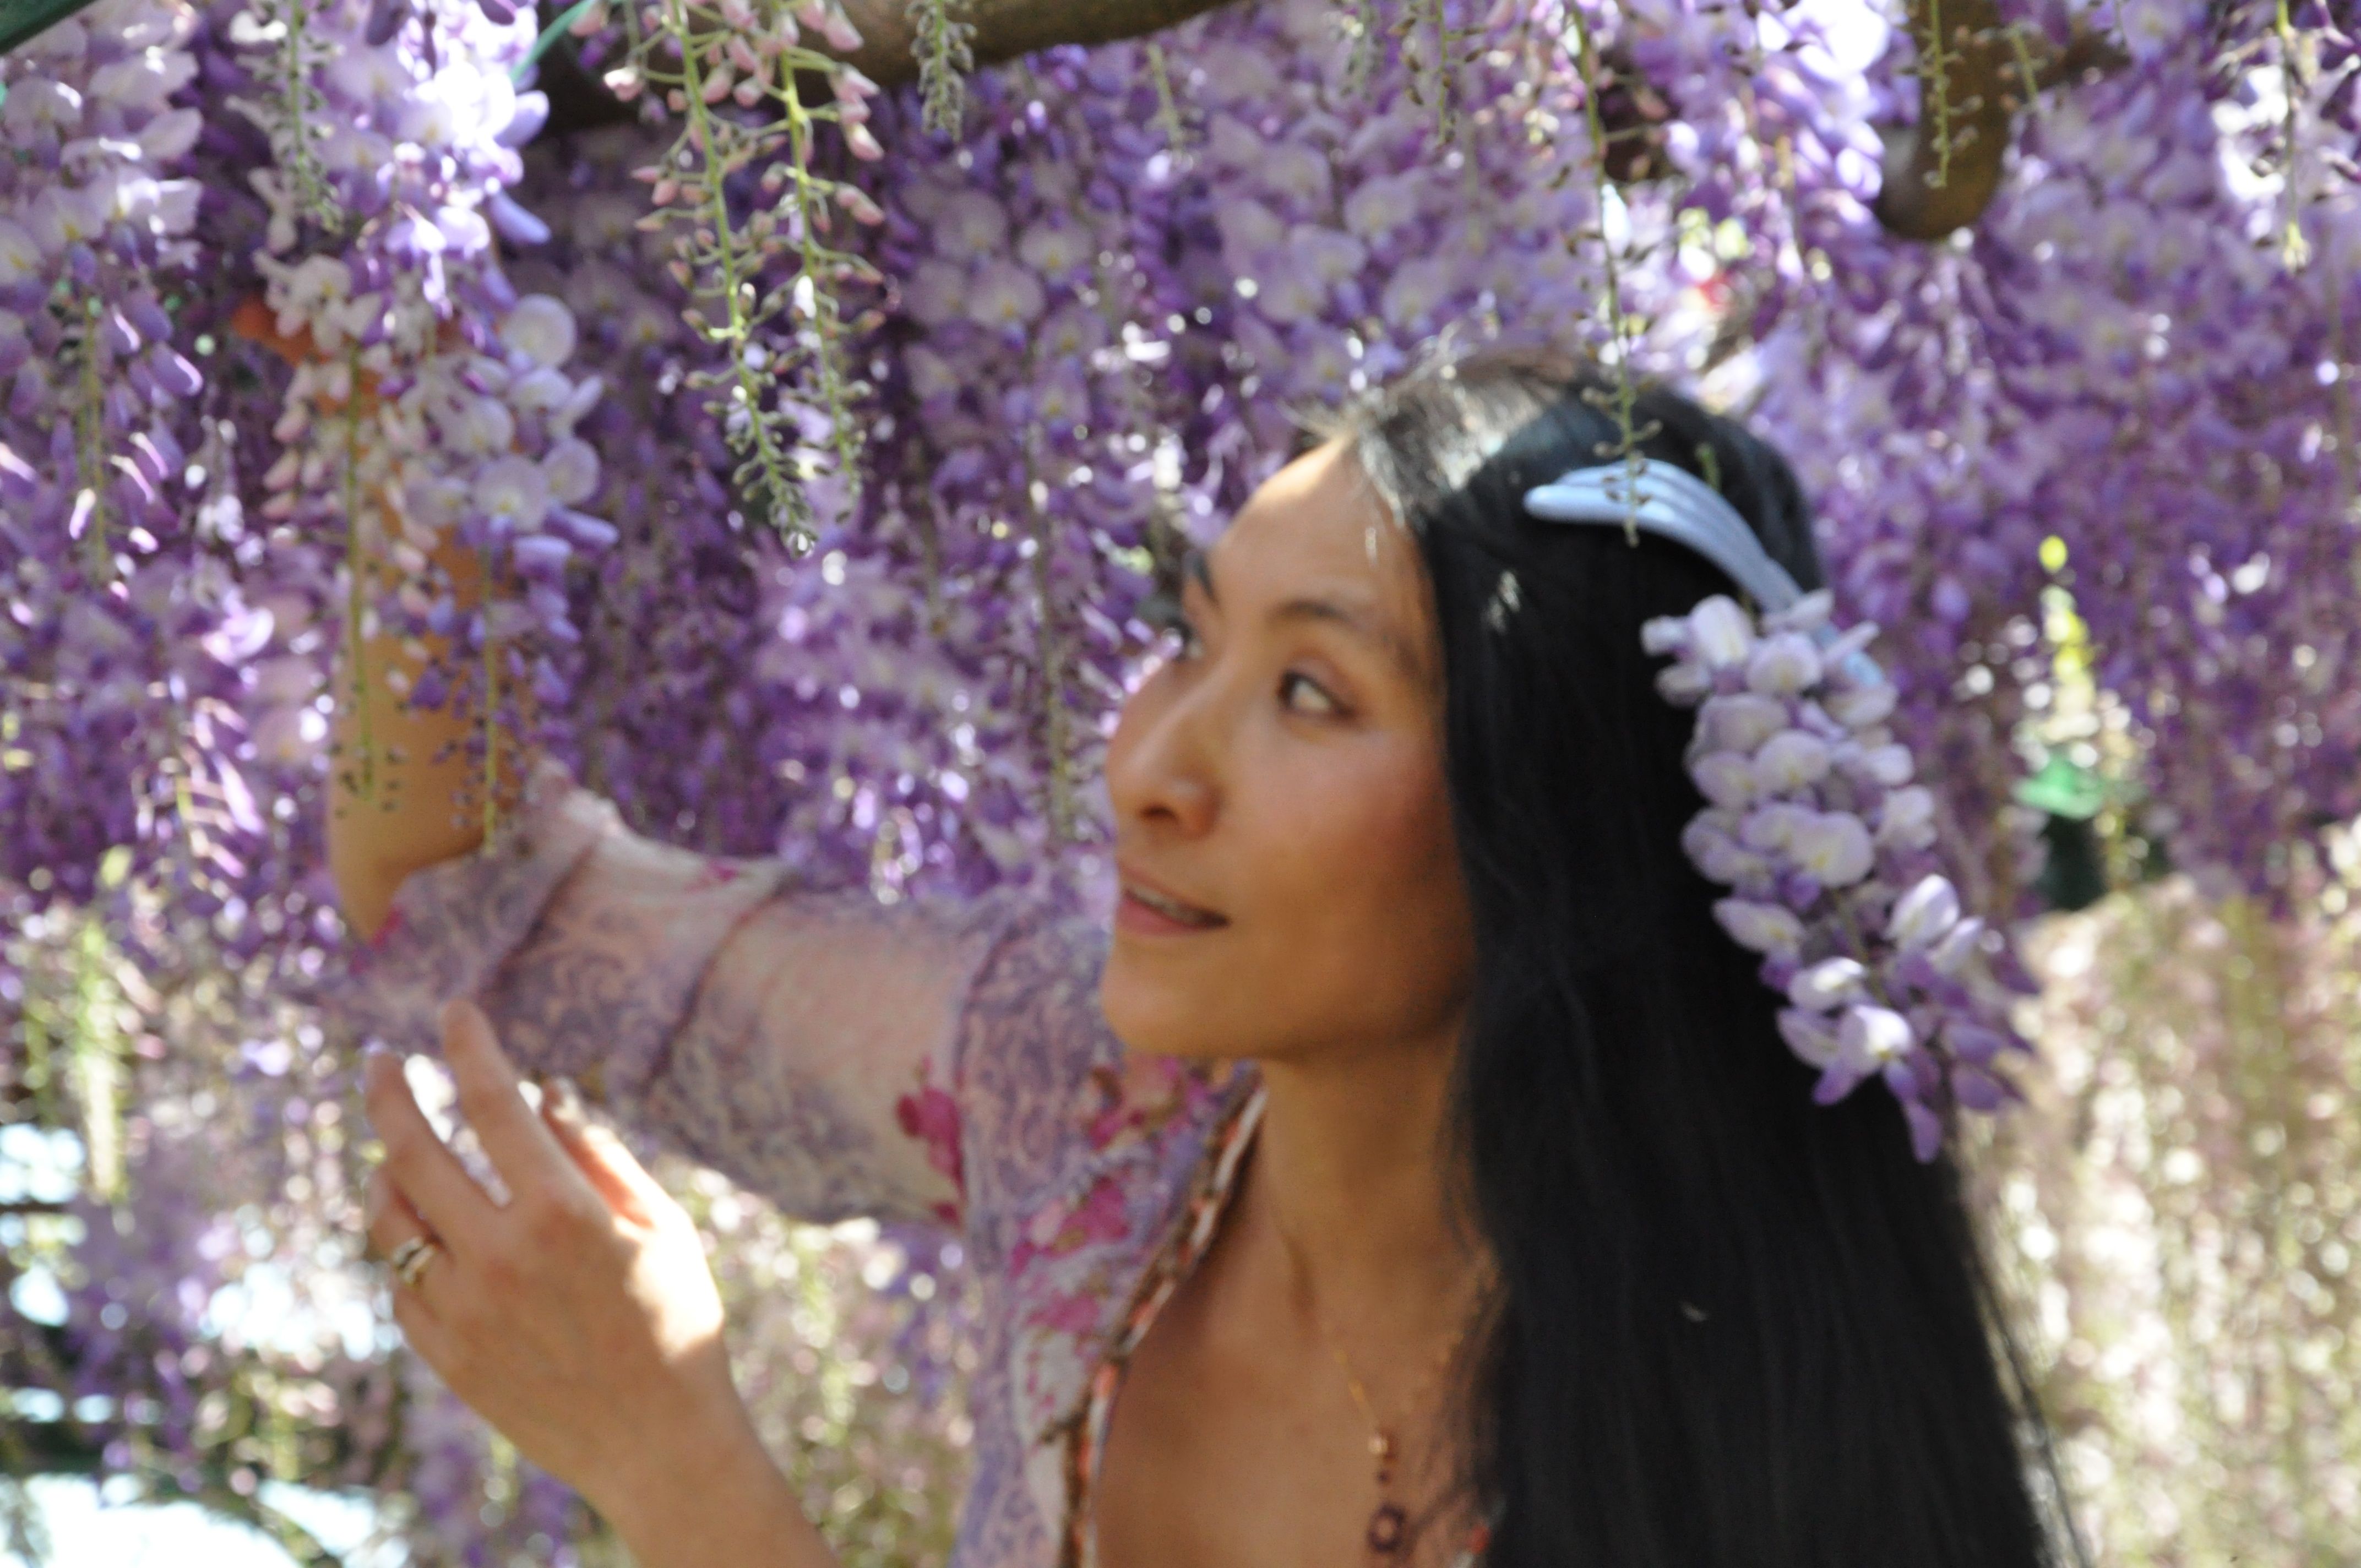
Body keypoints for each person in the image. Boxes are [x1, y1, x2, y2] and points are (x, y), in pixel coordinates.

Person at [340, 349, 2072, 1568]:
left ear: (1553, 831)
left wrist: (675, 1464)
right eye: (1192, 637)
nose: (1151, 767)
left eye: (1312, 692)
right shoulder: (1089, 1103)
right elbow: (490, 903)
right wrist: (407, 386)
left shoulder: (1750, 1440)